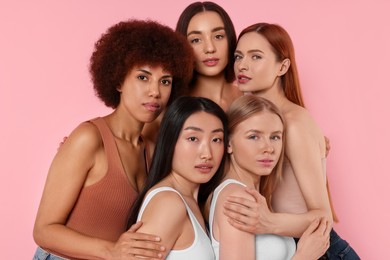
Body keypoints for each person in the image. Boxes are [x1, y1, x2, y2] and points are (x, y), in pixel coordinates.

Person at [32, 19, 194, 260]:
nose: (155, 91)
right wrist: (112, 250)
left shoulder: (150, 150)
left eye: (165, 81)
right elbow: (43, 231)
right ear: (118, 80)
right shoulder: (89, 138)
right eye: (143, 77)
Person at [224, 22, 360, 258]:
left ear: (282, 66)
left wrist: (268, 223)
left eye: (256, 57)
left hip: (319, 249)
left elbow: (323, 217)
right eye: (238, 56)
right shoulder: (252, 118)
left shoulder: (295, 123)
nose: (242, 65)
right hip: (288, 246)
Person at [209, 94, 330, 259]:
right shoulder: (237, 198)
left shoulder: (254, 196)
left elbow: (323, 220)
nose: (269, 148)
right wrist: (303, 257)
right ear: (228, 143)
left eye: (275, 137)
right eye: (254, 136)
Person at [127, 96, 228, 259]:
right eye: (193, 138)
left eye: (216, 140)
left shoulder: (193, 202)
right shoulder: (168, 203)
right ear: (170, 141)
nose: (207, 154)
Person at [142, 1, 242, 143]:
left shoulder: (248, 98)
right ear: (183, 46)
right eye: (196, 40)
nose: (209, 48)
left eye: (218, 36)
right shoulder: (169, 105)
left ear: (230, 40)